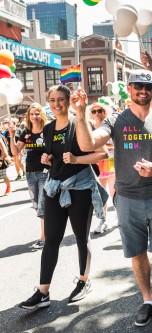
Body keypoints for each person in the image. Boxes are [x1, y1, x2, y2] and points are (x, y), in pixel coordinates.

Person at [74, 70, 152, 327]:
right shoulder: (115, 120)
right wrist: (81, 114)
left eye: (147, 86)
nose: (143, 90)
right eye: (137, 85)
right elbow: (87, 144)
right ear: (128, 88)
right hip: (127, 199)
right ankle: (148, 300)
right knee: (137, 253)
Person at [18, 85, 108, 310]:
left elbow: (103, 153)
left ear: (68, 101)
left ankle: (84, 280)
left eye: (61, 99)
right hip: (54, 187)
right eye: (52, 99)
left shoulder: (78, 124)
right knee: (51, 240)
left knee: (80, 237)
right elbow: (52, 157)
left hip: (80, 187)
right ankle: (43, 292)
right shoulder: (48, 129)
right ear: (48, 101)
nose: (56, 104)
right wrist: (48, 159)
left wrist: (77, 160)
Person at [8, 103, 49, 249]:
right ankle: (50, 231)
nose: (34, 116)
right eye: (32, 114)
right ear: (28, 116)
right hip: (30, 173)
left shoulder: (48, 130)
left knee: (42, 206)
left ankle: (44, 238)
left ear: (42, 114)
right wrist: (12, 135)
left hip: (45, 172)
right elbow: (15, 152)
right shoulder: (26, 132)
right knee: (37, 205)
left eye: (37, 113)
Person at [88, 102, 115, 234]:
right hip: (97, 164)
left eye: (100, 110)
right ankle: (103, 220)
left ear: (105, 111)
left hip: (112, 162)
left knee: (114, 192)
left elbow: (117, 144)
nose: (97, 113)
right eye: (94, 111)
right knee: (100, 194)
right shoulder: (89, 128)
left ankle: (121, 218)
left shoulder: (110, 125)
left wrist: (108, 148)